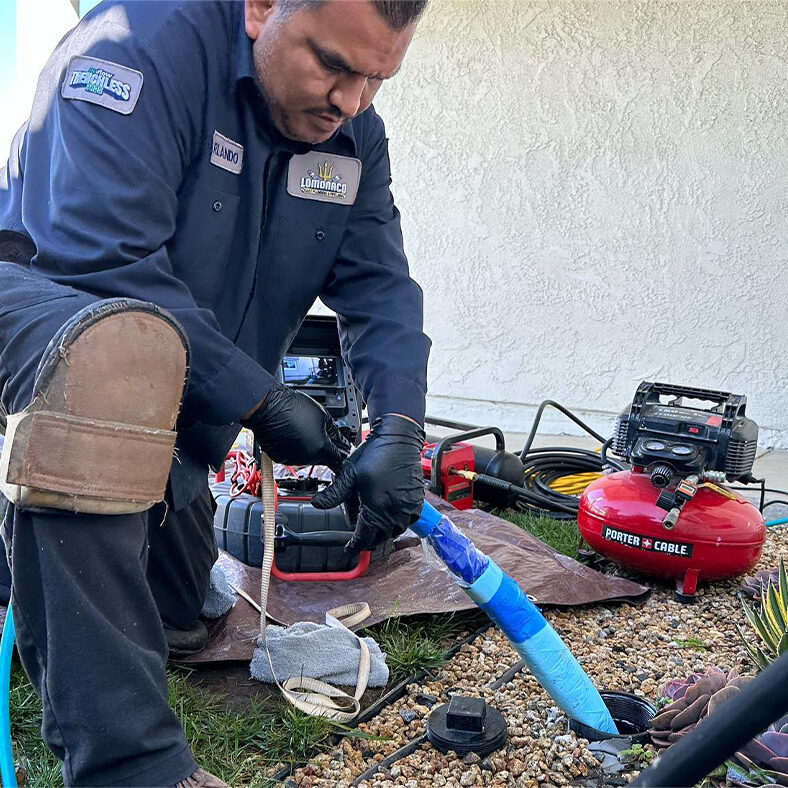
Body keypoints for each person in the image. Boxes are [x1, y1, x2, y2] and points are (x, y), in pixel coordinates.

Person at [0, 0, 431, 784]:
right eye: (333, 64)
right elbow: (103, 262)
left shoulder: (348, 134)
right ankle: (133, 765)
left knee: (178, 618)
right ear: (262, 7)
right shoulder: (135, 52)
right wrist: (260, 401)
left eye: (377, 77)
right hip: (46, 335)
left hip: (171, 402)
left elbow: (381, 286)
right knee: (113, 354)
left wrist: (399, 426)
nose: (352, 102)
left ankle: (51, 574)